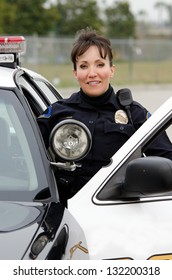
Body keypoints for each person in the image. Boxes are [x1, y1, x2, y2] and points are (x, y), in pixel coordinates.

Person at [37, 27, 172, 204]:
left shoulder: (134, 114)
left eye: (100, 64)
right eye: (84, 66)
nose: (92, 73)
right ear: (75, 73)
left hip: (115, 210)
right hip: (65, 208)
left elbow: (167, 161)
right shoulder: (58, 113)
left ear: (111, 70)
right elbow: (27, 152)